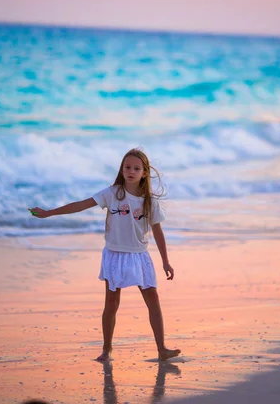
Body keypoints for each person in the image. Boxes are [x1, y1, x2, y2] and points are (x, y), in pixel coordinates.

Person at [29, 148, 181, 363]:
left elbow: (158, 232)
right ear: (122, 169)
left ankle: (161, 348)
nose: (131, 171)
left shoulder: (149, 202)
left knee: (153, 300)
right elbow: (82, 204)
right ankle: (107, 349)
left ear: (144, 173)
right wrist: (50, 212)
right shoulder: (112, 193)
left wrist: (166, 261)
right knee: (111, 303)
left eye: (136, 168)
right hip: (115, 255)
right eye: (127, 167)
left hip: (139, 256)